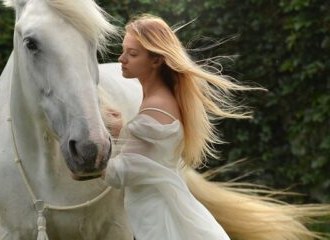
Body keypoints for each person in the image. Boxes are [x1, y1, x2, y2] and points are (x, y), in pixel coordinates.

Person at [102, 14, 329, 240]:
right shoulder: (165, 100)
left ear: (156, 60)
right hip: (160, 209)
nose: (122, 59)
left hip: (157, 218)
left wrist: (102, 143)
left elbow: (119, 175)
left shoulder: (154, 109)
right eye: (124, 50)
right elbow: (146, 161)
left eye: (132, 54)